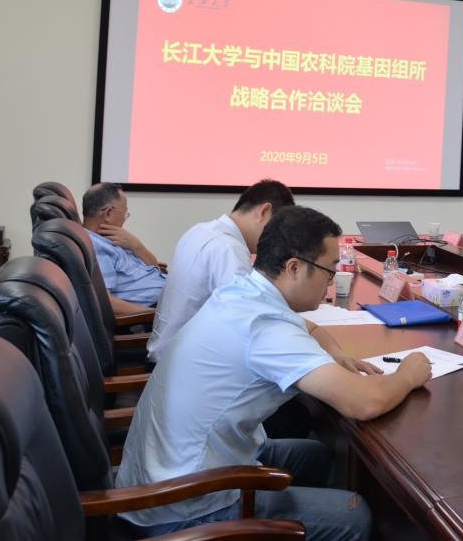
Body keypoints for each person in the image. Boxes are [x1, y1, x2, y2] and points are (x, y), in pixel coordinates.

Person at [115, 205, 432, 539]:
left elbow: (308, 328)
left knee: (317, 456)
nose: (330, 283)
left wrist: (336, 355)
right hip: (182, 505)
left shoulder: (243, 292)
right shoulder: (264, 327)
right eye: (329, 271)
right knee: (353, 516)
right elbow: (364, 402)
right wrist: (408, 374)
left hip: (168, 470)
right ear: (294, 267)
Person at [147, 179, 295, 363]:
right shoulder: (229, 248)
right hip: (182, 363)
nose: (275, 240)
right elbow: (249, 320)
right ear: (264, 211)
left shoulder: (200, 230)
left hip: (170, 350)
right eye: (276, 230)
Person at [80, 182, 164, 313]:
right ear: (108, 213)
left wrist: (137, 246)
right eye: (125, 213)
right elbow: (104, 301)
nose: (125, 218)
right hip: (155, 310)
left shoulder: (113, 238)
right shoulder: (97, 247)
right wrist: (154, 315)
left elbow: (156, 269)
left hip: (167, 298)